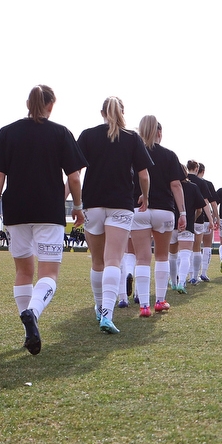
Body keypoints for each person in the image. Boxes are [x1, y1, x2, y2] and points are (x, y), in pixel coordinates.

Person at [0, 85, 86, 355]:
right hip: (48, 213)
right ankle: (33, 313)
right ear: (50, 105)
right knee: (49, 274)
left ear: (28, 103)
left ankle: (27, 330)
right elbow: (74, 177)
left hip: (16, 212)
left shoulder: (7, 132)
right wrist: (77, 206)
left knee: (23, 272)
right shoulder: (61, 133)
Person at [77, 97, 152, 334]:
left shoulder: (87, 135)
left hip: (93, 204)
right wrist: (145, 196)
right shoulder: (132, 138)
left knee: (97, 261)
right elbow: (144, 175)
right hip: (120, 205)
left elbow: (74, 173)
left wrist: (74, 203)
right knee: (113, 260)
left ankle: (99, 307)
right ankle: (107, 315)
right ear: (123, 112)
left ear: (102, 112)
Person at [130, 116, 186, 317]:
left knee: (142, 258)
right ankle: (160, 301)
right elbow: (176, 185)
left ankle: (144, 305)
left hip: (139, 210)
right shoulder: (170, 156)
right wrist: (183, 213)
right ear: (159, 133)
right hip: (164, 210)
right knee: (162, 256)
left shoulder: (132, 153)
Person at [174, 170, 214, 293]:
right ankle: (191, 277)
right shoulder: (199, 184)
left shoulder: (170, 184)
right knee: (193, 250)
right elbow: (203, 205)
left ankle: (172, 281)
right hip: (190, 222)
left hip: (172, 222)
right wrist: (211, 218)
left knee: (171, 255)